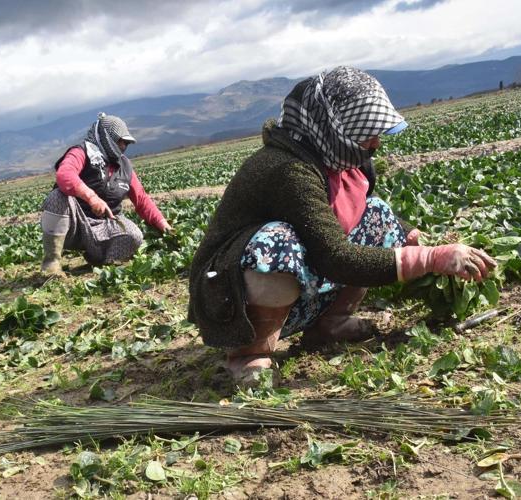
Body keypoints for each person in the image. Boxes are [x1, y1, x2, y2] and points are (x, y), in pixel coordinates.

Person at [187, 67, 496, 386]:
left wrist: (409, 235)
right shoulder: (288, 169)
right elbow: (334, 256)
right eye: (367, 134)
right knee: (277, 241)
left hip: (298, 283)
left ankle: (331, 324)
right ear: (334, 127)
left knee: (377, 214)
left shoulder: (336, 156)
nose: (375, 143)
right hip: (228, 299)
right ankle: (247, 354)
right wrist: (431, 258)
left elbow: (360, 209)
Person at [39, 113, 173, 275]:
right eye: (121, 141)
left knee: (134, 236)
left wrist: (164, 226)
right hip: (73, 225)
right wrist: (91, 198)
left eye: (126, 143)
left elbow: (142, 200)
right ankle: (51, 264)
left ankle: (100, 260)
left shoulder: (124, 166)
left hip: (104, 227)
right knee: (57, 197)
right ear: (107, 137)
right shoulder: (81, 152)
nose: (124, 146)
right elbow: (64, 175)